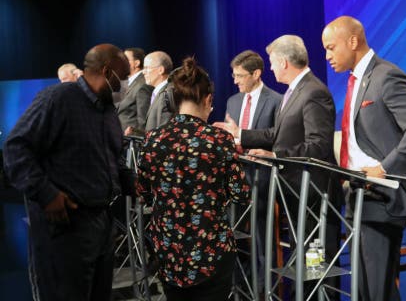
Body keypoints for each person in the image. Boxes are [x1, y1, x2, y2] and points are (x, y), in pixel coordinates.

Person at [214, 34, 341, 297]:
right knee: (303, 260)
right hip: (297, 192)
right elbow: (276, 134)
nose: (270, 68)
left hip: (315, 196)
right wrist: (240, 135)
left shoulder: (313, 91)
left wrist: (276, 156)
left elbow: (318, 146)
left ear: (284, 62)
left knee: (316, 265)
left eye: (272, 62)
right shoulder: (295, 90)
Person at [3, 43, 132, 301]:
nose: (125, 85)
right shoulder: (57, 99)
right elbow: (16, 148)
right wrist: (47, 194)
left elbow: (112, 160)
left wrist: (135, 182)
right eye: (124, 76)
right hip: (65, 230)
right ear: (108, 71)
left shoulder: (108, 111)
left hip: (102, 227)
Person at [321, 16, 406, 301]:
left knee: (377, 288)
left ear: (353, 41)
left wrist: (385, 169)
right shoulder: (355, 80)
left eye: (331, 47)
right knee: (363, 288)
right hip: (359, 193)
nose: (327, 56)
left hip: (384, 196)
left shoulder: (386, 76)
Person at [136, 56, 250, 301]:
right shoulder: (219, 139)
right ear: (209, 100)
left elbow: (142, 191)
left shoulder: (153, 139)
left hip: (168, 252)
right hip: (212, 251)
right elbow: (241, 193)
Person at [225, 49, 282, 291]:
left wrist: (241, 135)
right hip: (235, 174)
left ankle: (263, 287)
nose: (235, 80)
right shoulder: (233, 101)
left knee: (261, 235)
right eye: (234, 75)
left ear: (256, 73)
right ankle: (239, 283)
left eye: (239, 75)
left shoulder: (277, 100)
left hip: (263, 176)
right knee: (233, 233)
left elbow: (275, 137)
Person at [117, 47, 154, 134]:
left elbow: (143, 121)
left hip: (130, 141)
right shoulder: (126, 82)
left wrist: (135, 135)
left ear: (136, 63)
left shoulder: (142, 85)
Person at [143, 50, 175, 131]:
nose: (143, 72)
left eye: (147, 68)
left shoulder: (167, 93)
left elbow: (164, 131)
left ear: (161, 70)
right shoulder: (158, 91)